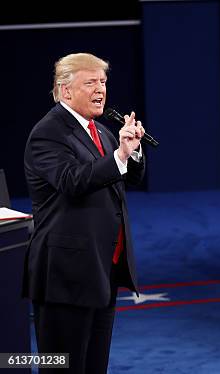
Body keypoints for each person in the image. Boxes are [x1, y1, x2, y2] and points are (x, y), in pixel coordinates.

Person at [23, 53, 146, 373]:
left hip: (101, 268)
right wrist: (119, 155)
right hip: (66, 274)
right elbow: (72, 181)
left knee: (94, 366)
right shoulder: (48, 133)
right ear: (65, 91)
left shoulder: (102, 131)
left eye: (103, 82)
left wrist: (132, 150)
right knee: (64, 367)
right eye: (90, 82)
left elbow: (128, 177)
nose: (100, 90)